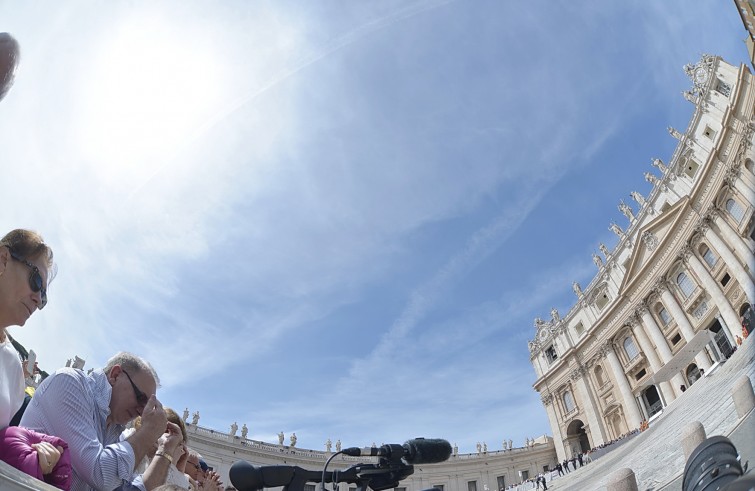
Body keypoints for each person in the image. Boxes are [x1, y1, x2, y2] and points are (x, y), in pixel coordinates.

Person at [21, 351, 180, 491]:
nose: (141, 411)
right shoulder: (70, 382)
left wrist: (165, 450)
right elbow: (101, 475)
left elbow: (123, 488)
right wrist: (148, 434)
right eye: (140, 398)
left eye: (147, 406)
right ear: (115, 375)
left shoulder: (114, 426)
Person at [0, 229, 65, 482]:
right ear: (3, 260)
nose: (38, 300)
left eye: (44, 296)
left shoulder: (13, 366)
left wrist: (26, 453)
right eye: (36, 281)